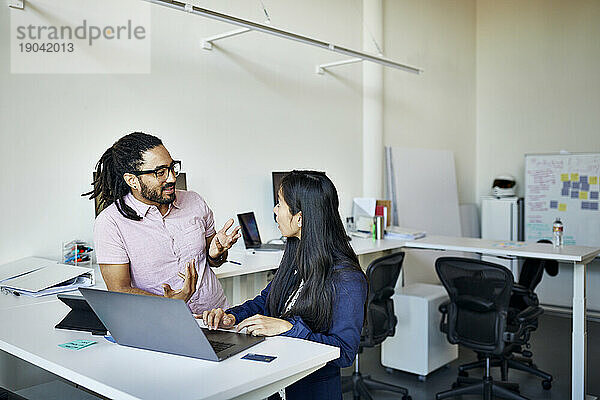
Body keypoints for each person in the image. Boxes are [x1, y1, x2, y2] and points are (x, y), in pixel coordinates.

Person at [202, 170, 368, 400]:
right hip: (276, 380)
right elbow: (265, 301)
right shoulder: (295, 254)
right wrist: (233, 317)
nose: (274, 211)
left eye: (279, 204)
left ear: (299, 218)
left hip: (310, 390)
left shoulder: (347, 279)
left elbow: (344, 352)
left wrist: (287, 328)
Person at [84, 132, 240, 313]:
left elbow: (214, 261)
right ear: (132, 180)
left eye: (172, 168)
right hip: (162, 323)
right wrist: (171, 305)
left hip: (216, 314)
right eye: (160, 172)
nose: (172, 178)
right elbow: (119, 290)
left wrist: (217, 254)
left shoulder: (195, 202)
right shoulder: (111, 222)